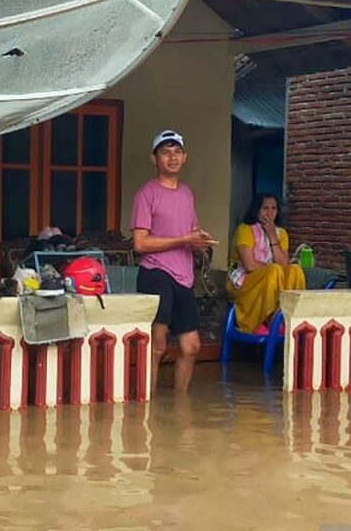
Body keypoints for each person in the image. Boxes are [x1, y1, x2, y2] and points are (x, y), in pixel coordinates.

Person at [130, 130, 217, 391]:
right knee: (156, 348)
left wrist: (199, 239)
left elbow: (189, 230)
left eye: (177, 152)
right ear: (154, 158)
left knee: (191, 347)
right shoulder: (146, 194)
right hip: (155, 274)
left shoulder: (187, 194)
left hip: (184, 276)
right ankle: (148, 413)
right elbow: (140, 244)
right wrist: (183, 240)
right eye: (166, 152)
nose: (172, 157)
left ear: (185, 157)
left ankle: (180, 411)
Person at [227, 193, 305, 334]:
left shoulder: (281, 233)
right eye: (265, 208)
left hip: (273, 278)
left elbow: (285, 265)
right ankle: (266, 320)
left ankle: (289, 318)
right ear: (256, 210)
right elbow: (250, 265)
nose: (269, 213)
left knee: (295, 270)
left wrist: (272, 236)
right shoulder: (245, 229)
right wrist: (274, 270)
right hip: (243, 280)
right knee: (274, 270)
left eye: (273, 209)